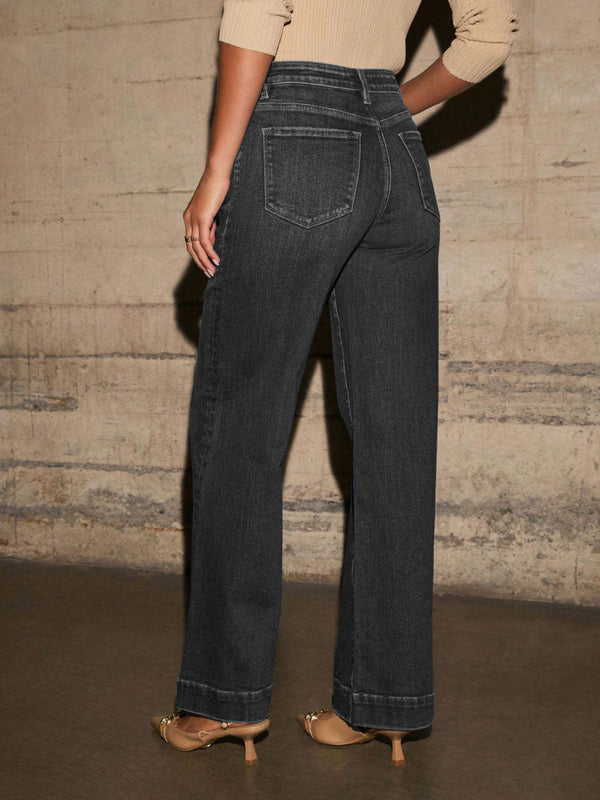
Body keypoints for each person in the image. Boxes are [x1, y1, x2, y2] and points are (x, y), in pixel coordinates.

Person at [152, 0, 519, 765]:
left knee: (242, 424)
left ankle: (222, 700)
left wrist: (217, 170)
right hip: (396, 156)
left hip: (296, 133)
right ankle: (383, 703)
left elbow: (258, 10)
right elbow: (488, 38)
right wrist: (383, 108)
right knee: (396, 435)